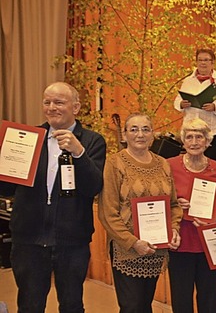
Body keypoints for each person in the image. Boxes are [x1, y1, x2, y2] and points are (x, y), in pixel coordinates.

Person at [0, 82, 106, 312]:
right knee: (29, 305)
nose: (51, 107)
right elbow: (6, 188)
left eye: (59, 102)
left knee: (71, 305)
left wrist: (79, 153)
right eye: (47, 102)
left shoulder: (92, 141)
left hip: (72, 241)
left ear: (76, 107)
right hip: (28, 240)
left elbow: (93, 187)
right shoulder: (28, 140)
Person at [98, 113, 182, 313]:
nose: (140, 134)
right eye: (133, 129)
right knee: (132, 306)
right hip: (126, 249)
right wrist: (133, 242)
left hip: (155, 247)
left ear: (153, 134)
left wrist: (174, 229)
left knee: (144, 305)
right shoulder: (114, 163)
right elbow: (107, 211)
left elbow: (173, 205)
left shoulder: (163, 164)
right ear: (125, 135)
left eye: (145, 129)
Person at [167, 118, 216, 313]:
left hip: (208, 241)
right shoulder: (169, 166)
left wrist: (213, 215)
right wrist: (174, 203)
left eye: (199, 137)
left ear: (207, 141)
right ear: (183, 141)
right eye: (189, 137)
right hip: (180, 240)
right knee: (181, 298)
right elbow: (160, 197)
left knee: (209, 298)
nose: (194, 142)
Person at [174, 48, 216, 164]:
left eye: (206, 60)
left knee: (211, 163)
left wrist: (215, 107)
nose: (203, 63)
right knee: (193, 162)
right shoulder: (188, 81)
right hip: (191, 129)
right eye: (200, 60)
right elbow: (177, 100)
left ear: (212, 63)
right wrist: (181, 104)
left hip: (212, 131)